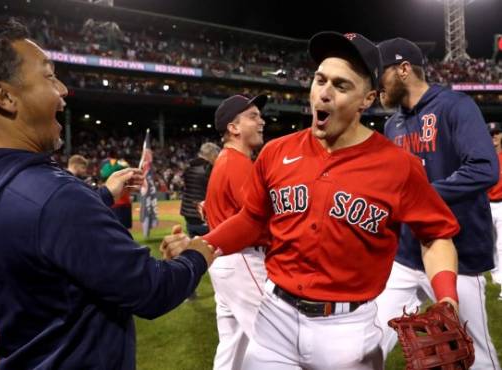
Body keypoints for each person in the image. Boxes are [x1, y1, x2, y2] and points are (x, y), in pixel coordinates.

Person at [165, 31, 461, 370]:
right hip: (274, 318)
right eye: (319, 79)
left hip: (347, 330)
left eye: (341, 85)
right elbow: (252, 219)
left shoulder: (399, 166)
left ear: (368, 99)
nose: (324, 92)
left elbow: (436, 233)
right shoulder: (276, 152)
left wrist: (447, 296)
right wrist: (201, 244)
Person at [0, 21, 216, 370]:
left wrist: (102, 194)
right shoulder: (54, 197)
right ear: (4, 96)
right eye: (48, 76)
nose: (63, 90)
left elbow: (35, 229)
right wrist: (196, 256)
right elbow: (152, 290)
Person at [375, 37, 501, 369]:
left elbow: (485, 167)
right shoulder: (392, 124)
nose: (374, 85)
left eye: (379, 73)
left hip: (457, 255)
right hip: (404, 257)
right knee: (367, 345)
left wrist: (423, 194)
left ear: (403, 69)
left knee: (475, 358)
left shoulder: (455, 106)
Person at [204, 94, 269, 369]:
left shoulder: (225, 160)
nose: (261, 121)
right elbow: (258, 219)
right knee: (275, 342)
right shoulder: (238, 163)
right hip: (243, 261)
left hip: (225, 263)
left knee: (232, 351)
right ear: (234, 127)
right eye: (253, 116)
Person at [180, 142, 220, 239]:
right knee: (208, 247)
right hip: (202, 215)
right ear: (211, 155)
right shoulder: (208, 169)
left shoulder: (189, 167)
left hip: (188, 214)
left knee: (194, 245)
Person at [488, 121, 502, 301]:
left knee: (501, 245)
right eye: (491, 133)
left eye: (497, 133)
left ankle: (501, 280)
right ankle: (495, 276)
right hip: (486, 205)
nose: (494, 136)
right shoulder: (484, 156)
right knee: (489, 244)